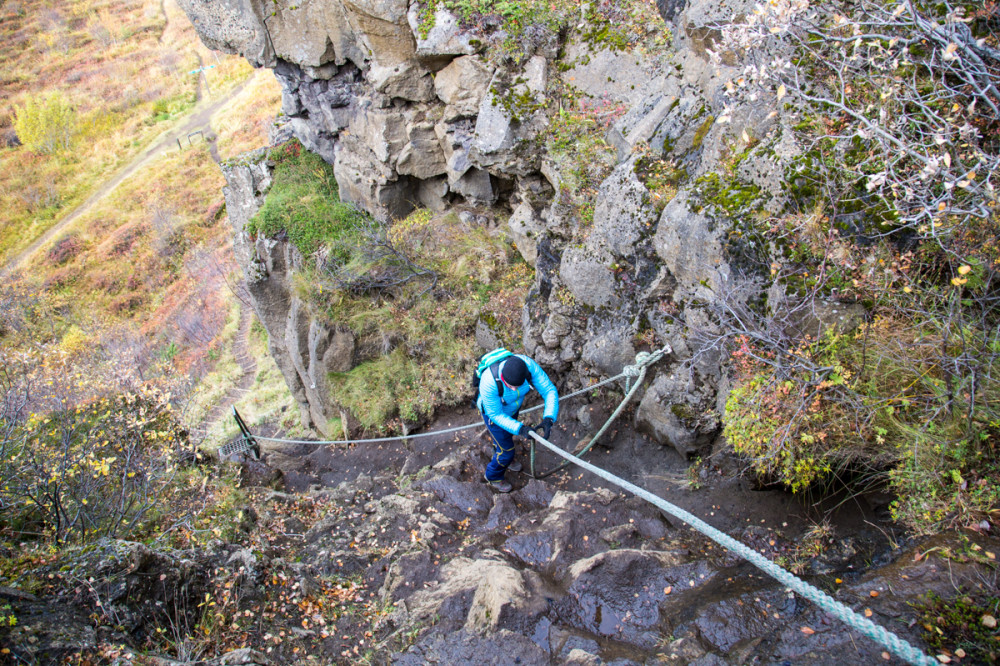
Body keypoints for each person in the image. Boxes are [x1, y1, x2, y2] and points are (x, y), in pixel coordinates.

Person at [477, 353, 559, 493]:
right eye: (510, 386)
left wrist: (549, 418)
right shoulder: (489, 381)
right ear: (503, 377)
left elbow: (549, 390)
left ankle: (502, 454)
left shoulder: (528, 366)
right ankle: (493, 476)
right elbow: (496, 414)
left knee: (507, 437)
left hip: (512, 409)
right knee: (507, 451)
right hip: (493, 416)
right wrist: (520, 429)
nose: (514, 389)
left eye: (518, 385)